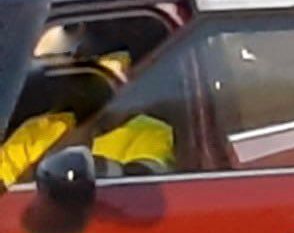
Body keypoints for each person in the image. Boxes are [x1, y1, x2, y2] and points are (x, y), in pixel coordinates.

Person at [0, 52, 174, 186]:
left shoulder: (151, 130)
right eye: (96, 83)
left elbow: (144, 182)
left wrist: (77, 164)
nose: (105, 92)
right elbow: (6, 187)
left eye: (116, 85)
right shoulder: (42, 128)